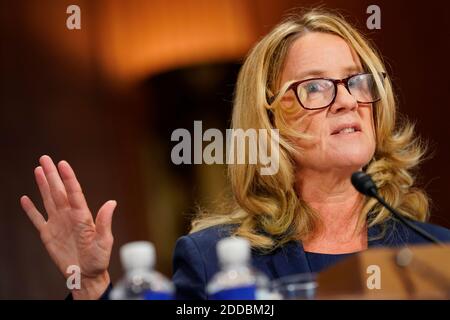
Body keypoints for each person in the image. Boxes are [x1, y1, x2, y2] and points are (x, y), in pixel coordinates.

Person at [20, 9, 450, 300]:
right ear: (270, 121)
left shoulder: (434, 251)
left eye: (356, 80)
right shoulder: (212, 258)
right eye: (315, 87)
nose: (346, 101)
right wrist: (91, 286)